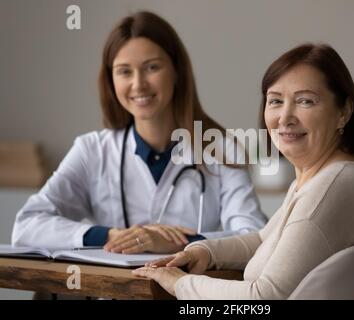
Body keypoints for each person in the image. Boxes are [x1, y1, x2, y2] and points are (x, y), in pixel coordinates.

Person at [132, 43, 354, 299]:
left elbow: (266, 297)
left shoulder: (333, 186)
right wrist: (204, 251)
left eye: (305, 101)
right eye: (275, 101)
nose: (285, 117)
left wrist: (180, 284)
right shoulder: (321, 177)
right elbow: (264, 239)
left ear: (344, 112)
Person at [11, 11, 267, 253]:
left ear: (177, 71)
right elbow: (27, 226)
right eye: (124, 71)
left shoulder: (220, 149)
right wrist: (111, 237)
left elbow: (253, 235)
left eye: (152, 67)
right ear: (111, 81)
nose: (138, 84)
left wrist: (180, 243)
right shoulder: (92, 150)